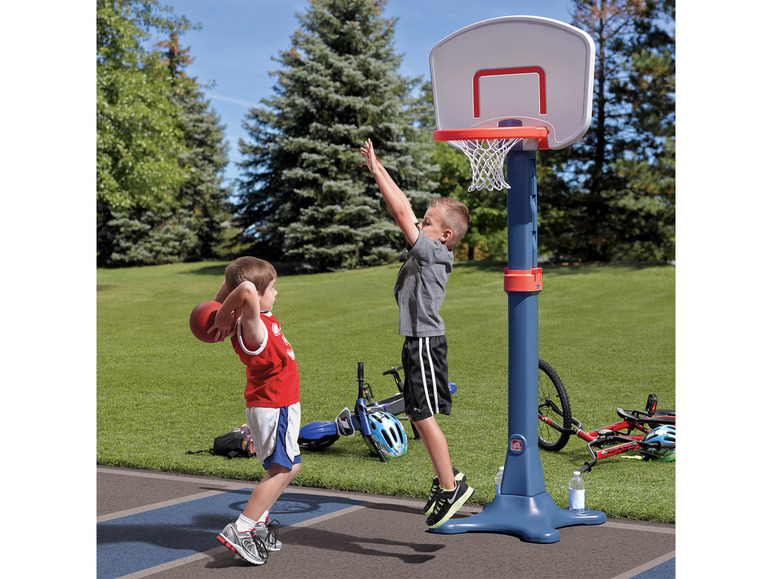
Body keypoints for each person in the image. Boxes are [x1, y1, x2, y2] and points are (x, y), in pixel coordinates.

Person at [360, 138, 474, 528]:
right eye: (423, 220)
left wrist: (376, 171)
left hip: (425, 342)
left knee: (423, 416)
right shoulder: (429, 250)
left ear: (444, 235)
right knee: (416, 412)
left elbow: (400, 211)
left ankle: (450, 486)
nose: (420, 225)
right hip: (417, 342)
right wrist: (378, 169)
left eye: (428, 223)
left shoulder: (433, 252)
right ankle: (450, 478)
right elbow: (407, 208)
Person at [207, 256, 301, 565]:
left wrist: (223, 299)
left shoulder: (256, 317)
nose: (276, 293)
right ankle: (242, 527)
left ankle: (258, 522)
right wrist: (222, 313)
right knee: (281, 469)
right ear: (255, 297)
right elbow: (246, 287)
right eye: (272, 288)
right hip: (276, 406)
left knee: (290, 466)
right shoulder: (252, 327)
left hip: (275, 406)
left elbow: (239, 281)